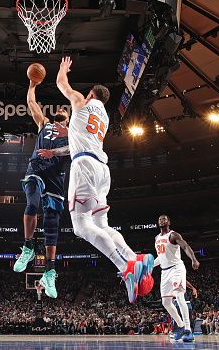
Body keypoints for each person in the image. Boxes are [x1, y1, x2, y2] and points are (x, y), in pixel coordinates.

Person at [51, 56, 153, 303]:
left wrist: (63, 70)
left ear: (89, 94)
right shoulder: (105, 117)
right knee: (102, 225)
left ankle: (124, 266)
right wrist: (70, 131)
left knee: (80, 226)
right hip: (101, 170)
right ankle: (133, 258)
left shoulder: (80, 102)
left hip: (84, 166)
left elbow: (61, 84)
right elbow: (85, 134)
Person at [13, 77, 70, 299]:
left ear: (68, 119)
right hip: (36, 168)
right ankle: (28, 247)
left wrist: (54, 152)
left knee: (52, 224)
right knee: (32, 203)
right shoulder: (44, 123)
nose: (62, 112)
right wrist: (31, 85)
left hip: (56, 175)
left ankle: (49, 271)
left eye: (65, 112)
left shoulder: (72, 132)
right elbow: (31, 104)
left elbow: (72, 149)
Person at [154, 214, 200, 342]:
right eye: (160, 219)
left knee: (179, 296)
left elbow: (185, 246)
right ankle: (180, 326)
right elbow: (160, 257)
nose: (162, 220)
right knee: (166, 303)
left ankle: (188, 329)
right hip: (165, 271)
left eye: (164, 218)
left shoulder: (174, 235)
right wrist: (149, 266)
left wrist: (193, 259)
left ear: (169, 221)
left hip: (176, 268)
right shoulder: (157, 238)